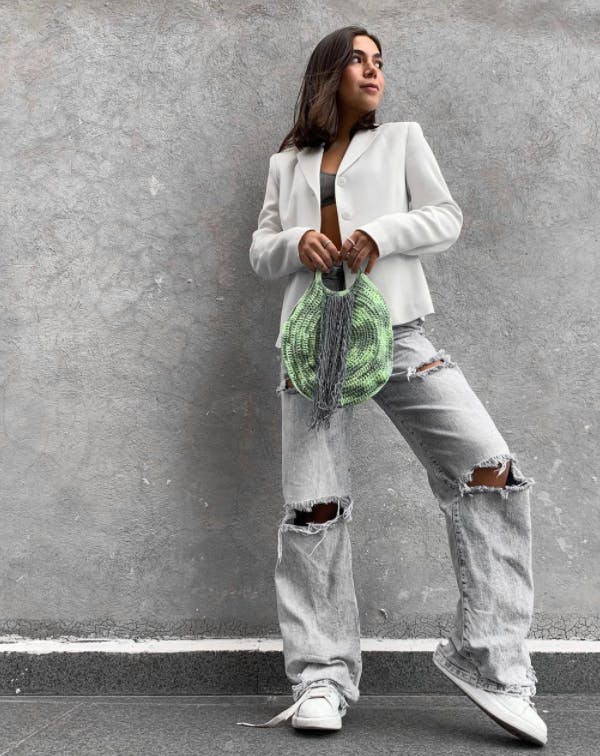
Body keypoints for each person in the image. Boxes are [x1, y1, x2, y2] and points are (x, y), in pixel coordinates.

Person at [240, 25, 547, 747]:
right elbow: (260, 250)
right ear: (329, 73)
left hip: (398, 329)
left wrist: (381, 235)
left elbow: (445, 217)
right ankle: (321, 676)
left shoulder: (403, 140)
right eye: (358, 60)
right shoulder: (288, 162)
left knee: (489, 470)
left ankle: (491, 661)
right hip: (313, 343)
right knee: (313, 507)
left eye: (379, 62)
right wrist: (296, 244)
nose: (373, 72)